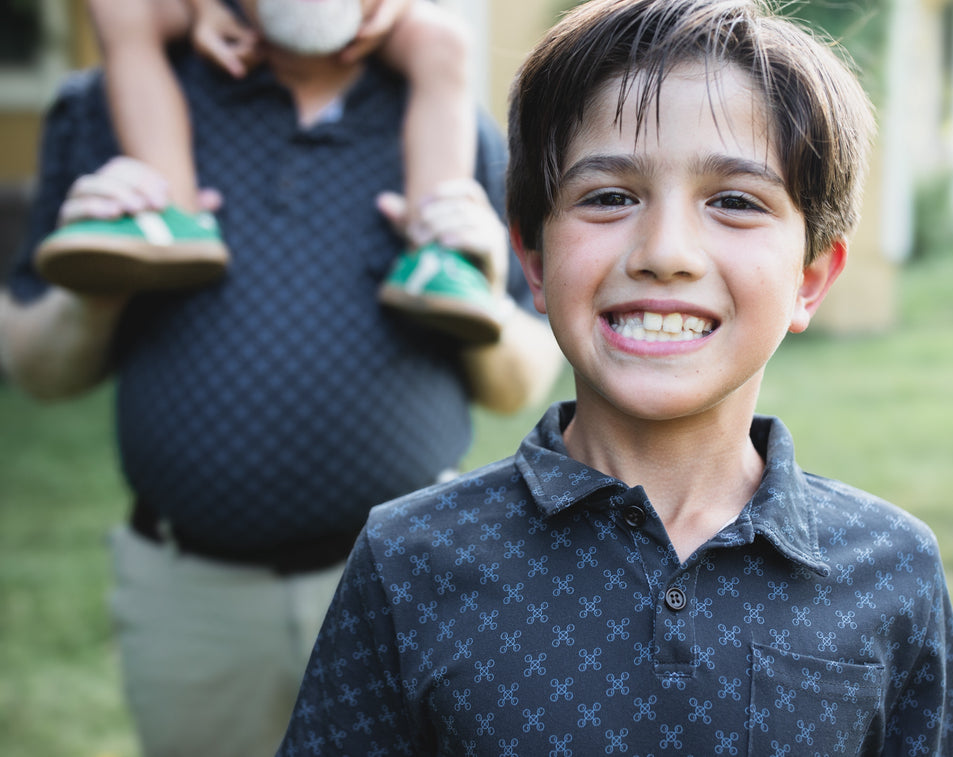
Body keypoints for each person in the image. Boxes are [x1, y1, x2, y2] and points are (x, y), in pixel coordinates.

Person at [276, 0, 953, 754]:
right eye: (610, 197)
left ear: (809, 279)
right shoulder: (408, 558)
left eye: (734, 202)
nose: (664, 252)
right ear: (534, 262)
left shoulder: (891, 568)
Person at [0, 0, 563, 754]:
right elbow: (35, 368)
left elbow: (518, 384)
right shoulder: (109, 102)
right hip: (194, 602)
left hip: (407, 577)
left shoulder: (445, 109)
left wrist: (484, 292)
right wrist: (96, 289)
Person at [34, 0, 504, 342]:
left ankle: (440, 251)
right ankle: (167, 213)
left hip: (368, 17)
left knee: (444, 39)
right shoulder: (84, 108)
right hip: (244, 13)